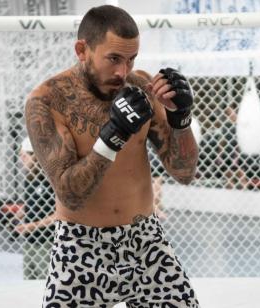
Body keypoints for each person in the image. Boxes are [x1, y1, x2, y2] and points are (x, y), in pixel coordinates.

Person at [24, 5, 200, 307]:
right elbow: (70, 194)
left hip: (145, 241)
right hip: (80, 248)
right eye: (114, 59)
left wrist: (180, 121)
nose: (123, 72)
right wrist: (112, 136)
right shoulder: (47, 101)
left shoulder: (141, 89)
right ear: (82, 50)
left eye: (131, 59)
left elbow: (184, 173)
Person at [14, 137, 56, 280]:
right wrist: (22, 212)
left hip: (46, 242)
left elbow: (59, 214)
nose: (21, 160)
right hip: (29, 241)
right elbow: (33, 202)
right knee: (28, 280)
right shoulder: (29, 178)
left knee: (44, 280)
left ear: (35, 156)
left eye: (24, 156)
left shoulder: (50, 179)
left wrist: (32, 226)